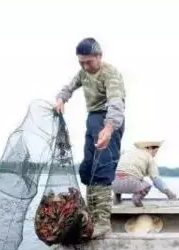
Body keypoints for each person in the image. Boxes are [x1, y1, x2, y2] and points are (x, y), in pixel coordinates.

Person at [53, 37, 126, 238]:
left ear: (99, 56)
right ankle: (91, 216)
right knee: (88, 168)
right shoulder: (83, 72)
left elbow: (116, 104)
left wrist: (109, 128)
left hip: (109, 119)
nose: (86, 66)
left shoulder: (110, 74)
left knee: (102, 168)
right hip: (93, 119)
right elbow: (69, 87)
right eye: (81, 62)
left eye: (89, 62)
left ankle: (102, 223)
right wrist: (60, 99)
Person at [112, 140, 177, 207]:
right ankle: (137, 198)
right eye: (155, 151)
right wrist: (169, 193)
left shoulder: (127, 152)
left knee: (119, 176)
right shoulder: (149, 157)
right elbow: (156, 180)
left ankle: (117, 198)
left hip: (114, 184)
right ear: (149, 148)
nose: (155, 154)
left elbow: (116, 165)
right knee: (147, 185)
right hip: (130, 183)